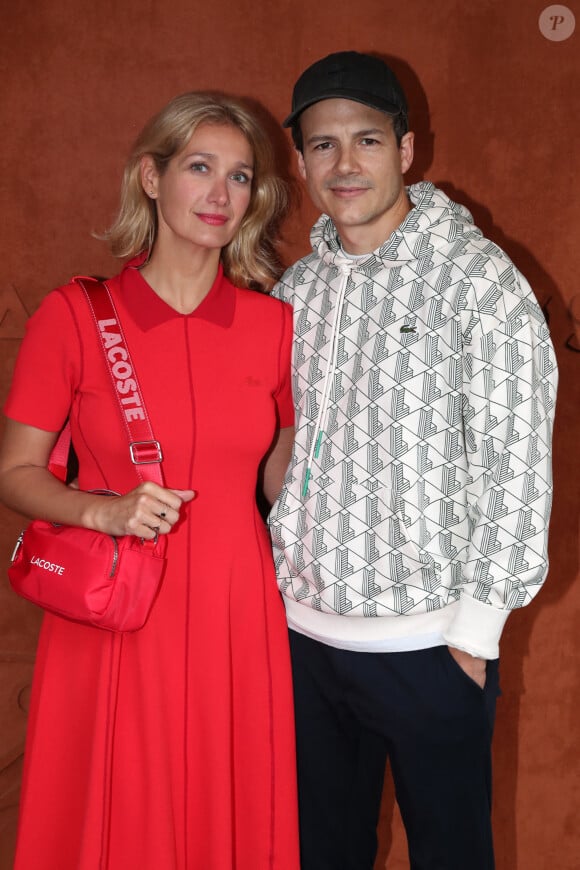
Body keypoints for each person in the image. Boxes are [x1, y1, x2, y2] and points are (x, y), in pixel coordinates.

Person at [268, 51, 558, 870]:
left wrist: (474, 635)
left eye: (366, 139)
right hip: (305, 639)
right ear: (300, 161)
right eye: (323, 145)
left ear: (406, 150)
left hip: (431, 647)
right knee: (322, 853)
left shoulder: (479, 281)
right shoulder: (296, 292)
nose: (345, 163)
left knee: (451, 857)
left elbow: (517, 462)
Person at [0, 91, 299, 869]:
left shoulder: (277, 327)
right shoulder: (72, 316)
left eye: (239, 177)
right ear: (151, 177)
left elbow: (280, 474)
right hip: (120, 613)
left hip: (239, 607)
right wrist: (100, 514)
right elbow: (15, 474)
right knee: (117, 818)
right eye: (200, 167)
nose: (220, 194)